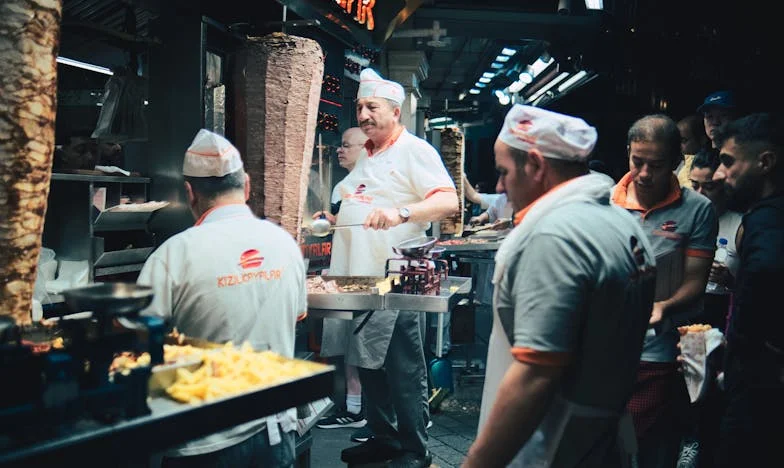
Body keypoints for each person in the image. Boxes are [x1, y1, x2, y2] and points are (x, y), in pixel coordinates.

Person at [465, 105, 657, 468]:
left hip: (552, 445)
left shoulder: (556, 237)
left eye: (504, 173)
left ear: (536, 166)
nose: (500, 187)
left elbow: (535, 376)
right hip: (602, 436)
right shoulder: (622, 222)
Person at [137, 129, 307, 468]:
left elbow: (138, 336)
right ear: (246, 185)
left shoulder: (174, 254)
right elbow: (296, 315)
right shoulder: (284, 243)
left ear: (190, 193)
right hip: (275, 433)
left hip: (204, 441)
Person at [332, 68, 459, 468]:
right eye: (359, 108)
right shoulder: (367, 155)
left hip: (398, 278)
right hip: (358, 277)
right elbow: (363, 205)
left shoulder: (415, 150)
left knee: (403, 366)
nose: (364, 115)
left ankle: (414, 449)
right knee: (367, 360)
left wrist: (402, 212)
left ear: (395, 111)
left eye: (371, 107)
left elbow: (448, 201)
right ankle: (383, 437)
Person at [610, 114, 718, 468]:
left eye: (655, 165)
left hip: (662, 351)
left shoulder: (697, 210)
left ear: (675, 162)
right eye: (637, 161)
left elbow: (695, 282)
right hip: (608, 348)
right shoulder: (606, 203)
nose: (643, 173)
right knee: (606, 447)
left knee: (655, 447)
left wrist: (664, 306)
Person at [710, 113, 784, 468]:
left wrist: (742, 350)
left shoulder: (766, 220)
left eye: (728, 162)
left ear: (765, 162)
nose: (718, 174)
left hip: (761, 387)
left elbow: (767, 270)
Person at [313, 127, 369, 435]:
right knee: (350, 343)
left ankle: (357, 409)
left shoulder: (367, 184)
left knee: (359, 343)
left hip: (360, 273)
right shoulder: (344, 186)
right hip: (345, 268)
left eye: (346, 145)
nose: (339, 150)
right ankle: (354, 407)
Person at [676, 114, 710, 188]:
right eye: (677, 141)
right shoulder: (677, 164)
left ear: (702, 140)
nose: (678, 146)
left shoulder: (710, 167)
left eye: (684, 141)